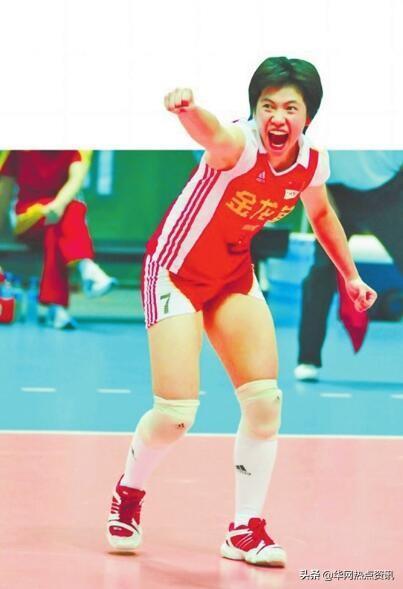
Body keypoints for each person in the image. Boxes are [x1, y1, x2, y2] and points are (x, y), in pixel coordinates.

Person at [106, 57, 377, 567]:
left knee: (265, 404)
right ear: (254, 111)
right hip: (175, 271)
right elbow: (211, 132)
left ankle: (244, 529)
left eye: (290, 108)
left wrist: (351, 276)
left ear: (308, 117)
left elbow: (321, 213)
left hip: (232, 276)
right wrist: (187, 109)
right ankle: (129, 493)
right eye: (267, 105)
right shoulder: (238, 145)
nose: (278, 117)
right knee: (175, 415)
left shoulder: (312, 163)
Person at [295, 151, 403, 381]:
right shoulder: (313, 130)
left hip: (390, 191)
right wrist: (321, 199)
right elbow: (303, 159)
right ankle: (308, 359)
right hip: (334, 195)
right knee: (321, 272)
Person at [0, 150, 116, 329]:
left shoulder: (77, 148)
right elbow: (3, 195)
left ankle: (57, 310)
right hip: (27, 219)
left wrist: (58, 206)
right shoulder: (16, 149)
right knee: (72, 211)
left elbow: (76, 180)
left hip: (59, 217)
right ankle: (86, 268)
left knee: (58, 226)